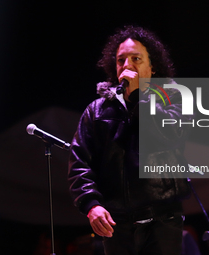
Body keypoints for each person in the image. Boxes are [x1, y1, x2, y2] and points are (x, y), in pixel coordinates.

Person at [68, 25, 193, 255]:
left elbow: (168, 137)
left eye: (136, 58)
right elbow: (79, 164)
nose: (127, 65)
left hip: (163, 220)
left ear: (152, 66)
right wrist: (91, 205)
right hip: (118, 226)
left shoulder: (173, 98)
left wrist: (137, 97)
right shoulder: (96, 111)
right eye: (120, 60)